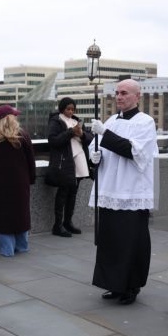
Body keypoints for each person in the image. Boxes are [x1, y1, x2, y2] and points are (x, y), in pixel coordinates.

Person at [89, 79, 158, 305]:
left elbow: (134, 152)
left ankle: (131, 285)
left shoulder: (145, 122)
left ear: (137, 96)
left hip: (132, 191)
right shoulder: (111, 120)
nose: (119, 97)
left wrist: (104, 135)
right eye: (117, 93)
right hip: (111, 188)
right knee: (111, 241)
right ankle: (114, 284)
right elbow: (97, 147)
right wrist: (95, 156)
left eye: (124, 93)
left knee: (131, 241)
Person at [0, 104, 36, 256]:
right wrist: (31, 179)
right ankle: (22, 246)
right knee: (21, 213)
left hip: (0, 183)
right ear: (10, 118)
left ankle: (7, 249)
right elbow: (31, 160)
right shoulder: (23, 135)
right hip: (20, 182)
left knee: (2, 214)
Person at [46, 97, 93, 237]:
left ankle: (68, 222)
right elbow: (53, 140)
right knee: (63, 193)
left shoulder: (76, 121)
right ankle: (58, 225)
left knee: (73, 193)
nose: (71, 111)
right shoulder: (56, 121)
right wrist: (71, 132)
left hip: (78, 160)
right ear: (62, 108)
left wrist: (82, 134)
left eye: (73, 109)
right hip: (64, 162)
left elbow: (90, 139)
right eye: (68, 109)